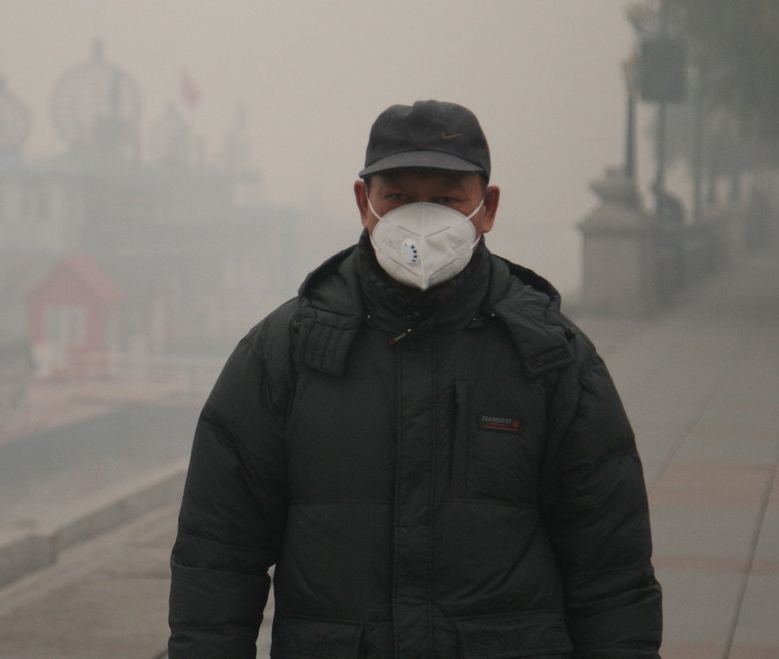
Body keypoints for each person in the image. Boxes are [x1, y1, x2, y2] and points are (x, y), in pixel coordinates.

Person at [168, 100, 662, 657]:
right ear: (364, 203)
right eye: (399, 197)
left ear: (488, 207)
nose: (422, 220)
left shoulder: (551, 359)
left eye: (448, 198)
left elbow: (612, 571)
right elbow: (217, 558)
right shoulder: (284, 353)